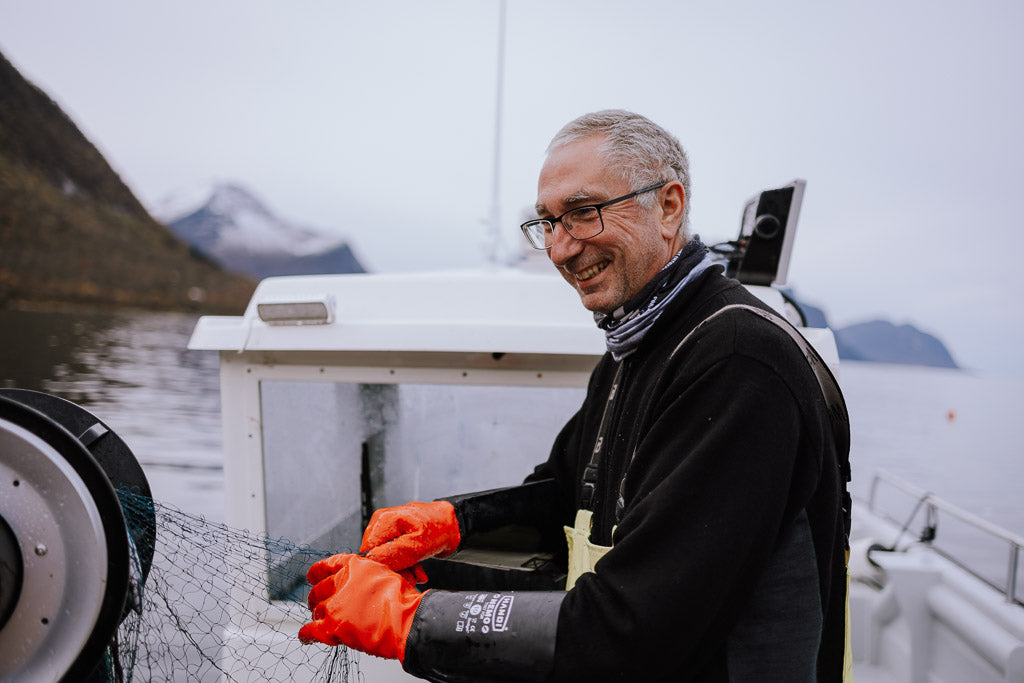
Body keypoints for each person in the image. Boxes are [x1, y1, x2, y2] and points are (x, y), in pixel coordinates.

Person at [299, 110, 851, 682]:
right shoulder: (636, 345)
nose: (561, 249)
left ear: (668, 206)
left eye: (583, 214)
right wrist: (455, 521)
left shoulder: (737, 361)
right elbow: (569, 497)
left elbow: (634, 627)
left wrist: (408, 619)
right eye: (548, 223)